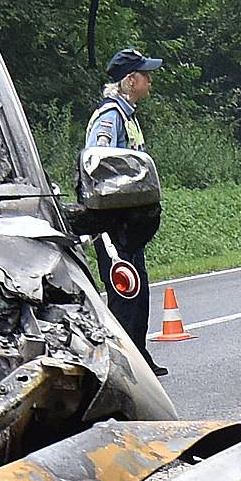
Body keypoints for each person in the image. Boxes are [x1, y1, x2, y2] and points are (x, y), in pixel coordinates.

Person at [82, 47, 163, 350]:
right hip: (114, 222)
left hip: (131, 222)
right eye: (146, 76)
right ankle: (123, 359)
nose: (149, 82)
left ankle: (140, 355)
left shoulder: (127, 115)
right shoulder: (109, 117)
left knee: (138, 289)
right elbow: (97, 165)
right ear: (130, 80)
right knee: (124, 290)